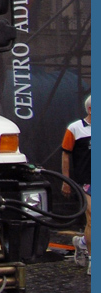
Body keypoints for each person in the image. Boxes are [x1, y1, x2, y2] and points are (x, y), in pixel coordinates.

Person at [62, 94, 91, 275]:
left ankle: (81, 243)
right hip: (86, 182)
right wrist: (66, 180)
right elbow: (66, 154)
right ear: (90, 110)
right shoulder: (75, 128)